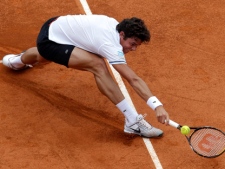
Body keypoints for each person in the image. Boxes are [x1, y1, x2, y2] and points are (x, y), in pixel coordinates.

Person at [2, 14, 169, 138]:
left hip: (54, 27)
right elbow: (133, 79)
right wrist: (157, 106)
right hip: (51, 40)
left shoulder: (113, 24)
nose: (133, 49)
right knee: (97, 65)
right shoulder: (108, 43)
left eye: (136, 46)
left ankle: (17, 62)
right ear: (122, 34)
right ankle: (133, 122)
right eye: (132, 44)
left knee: (45, 56)